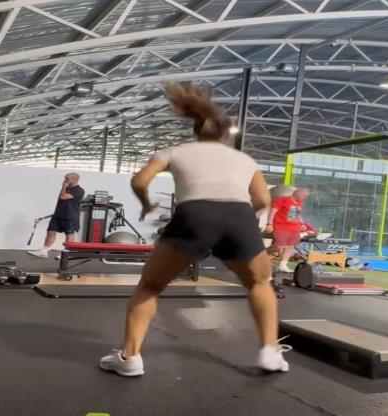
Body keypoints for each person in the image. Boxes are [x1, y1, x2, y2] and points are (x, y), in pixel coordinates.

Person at [99, 82, 290, 377]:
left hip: (194, 215)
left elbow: (139, 181)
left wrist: (147, 204)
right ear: (226, 136)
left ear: (196, 131)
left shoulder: (175, 151)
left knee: (149, 287)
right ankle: (270, 352)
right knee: (260, 283)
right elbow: (264, 200)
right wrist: (241, 220)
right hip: (239, 217)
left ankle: (130, 358)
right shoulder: (245, 159)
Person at [28, 173, 85, 258]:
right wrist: (64, 187)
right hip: (58, 214)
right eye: (65, 178)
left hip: (70, 216)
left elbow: (63, 197)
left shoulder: (79, 190)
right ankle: (44, 251)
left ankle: (66, 254)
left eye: (67, 179)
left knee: (69, 234)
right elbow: (60, 198)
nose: (65, 180)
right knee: (51, 231)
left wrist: (63, 187)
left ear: (74, 180)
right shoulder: (67, 188)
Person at [265, 188, 309, 273]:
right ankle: (260, 255)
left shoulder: (299, 203)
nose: (305, 198)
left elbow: (297, 215)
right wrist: (269, 224)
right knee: (279, 246)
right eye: (304, 195)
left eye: (306, 196)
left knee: (290, 246)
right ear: (297, 193)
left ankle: (283, 265)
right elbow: (272, 212)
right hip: (281, 227)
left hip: (294, 228)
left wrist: (302, 224)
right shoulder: (282, 200)